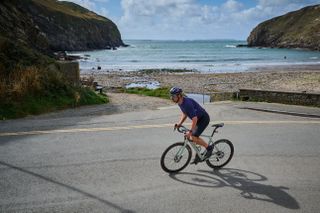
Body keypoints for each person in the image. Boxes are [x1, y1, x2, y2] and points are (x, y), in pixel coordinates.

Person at [170, 87, 213, 163]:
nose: (172, 98)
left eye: (174, 96)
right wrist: (179, 123)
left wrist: (190, 131)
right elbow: (185, 113)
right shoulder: (180, 103)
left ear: (179, 96)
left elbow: (194, 119)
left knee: (193, 136)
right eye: (171, 96)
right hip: (198, 119)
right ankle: (198, 154)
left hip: (203, 119)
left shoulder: (187, 103)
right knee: (194, 137)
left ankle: (209, 148)